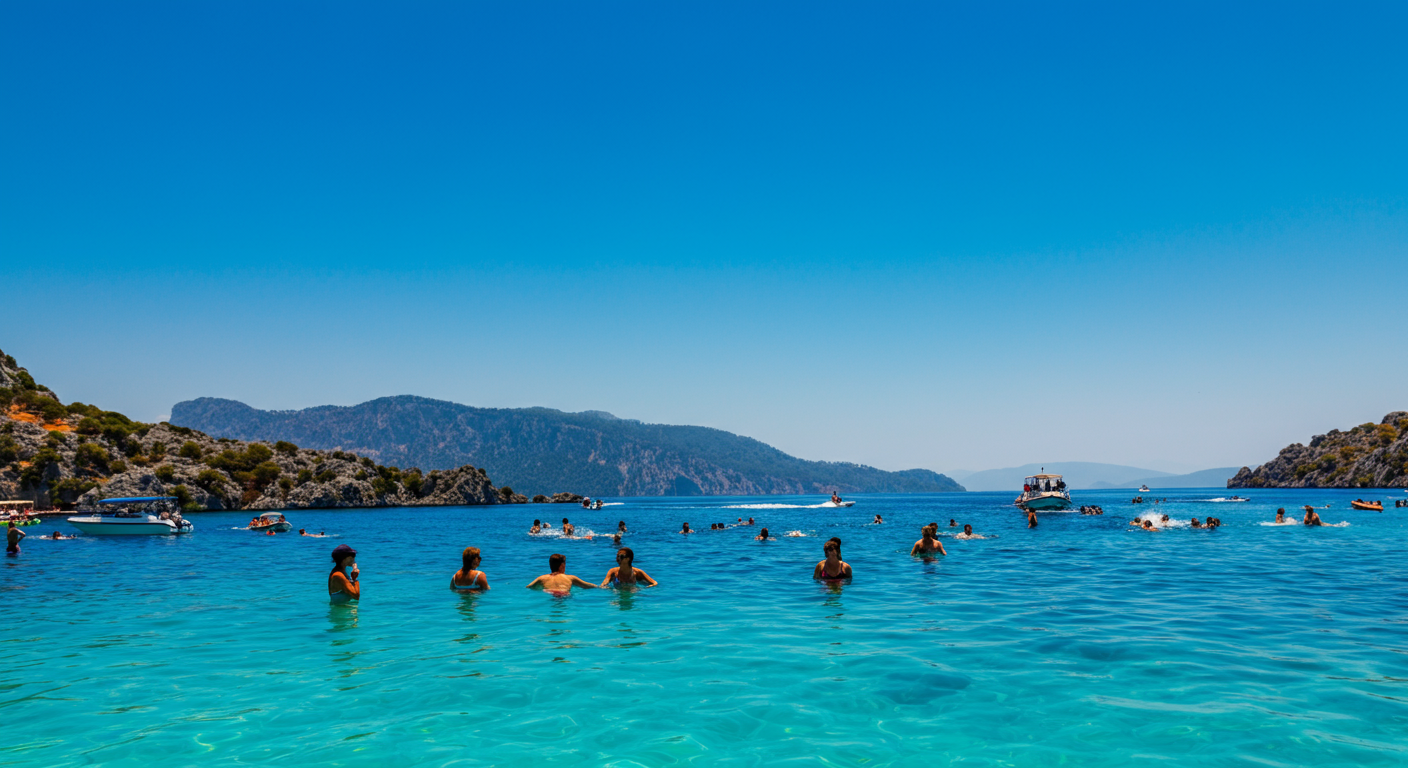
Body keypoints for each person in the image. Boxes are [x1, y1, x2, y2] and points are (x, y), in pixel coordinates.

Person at [526, 553, 597, 594]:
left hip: (549, 593)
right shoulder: (570, 578)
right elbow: (586, 585)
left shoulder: (542, 578)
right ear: (562, 566)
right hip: (564, 594)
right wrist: (599, 587)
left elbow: (528, 587)